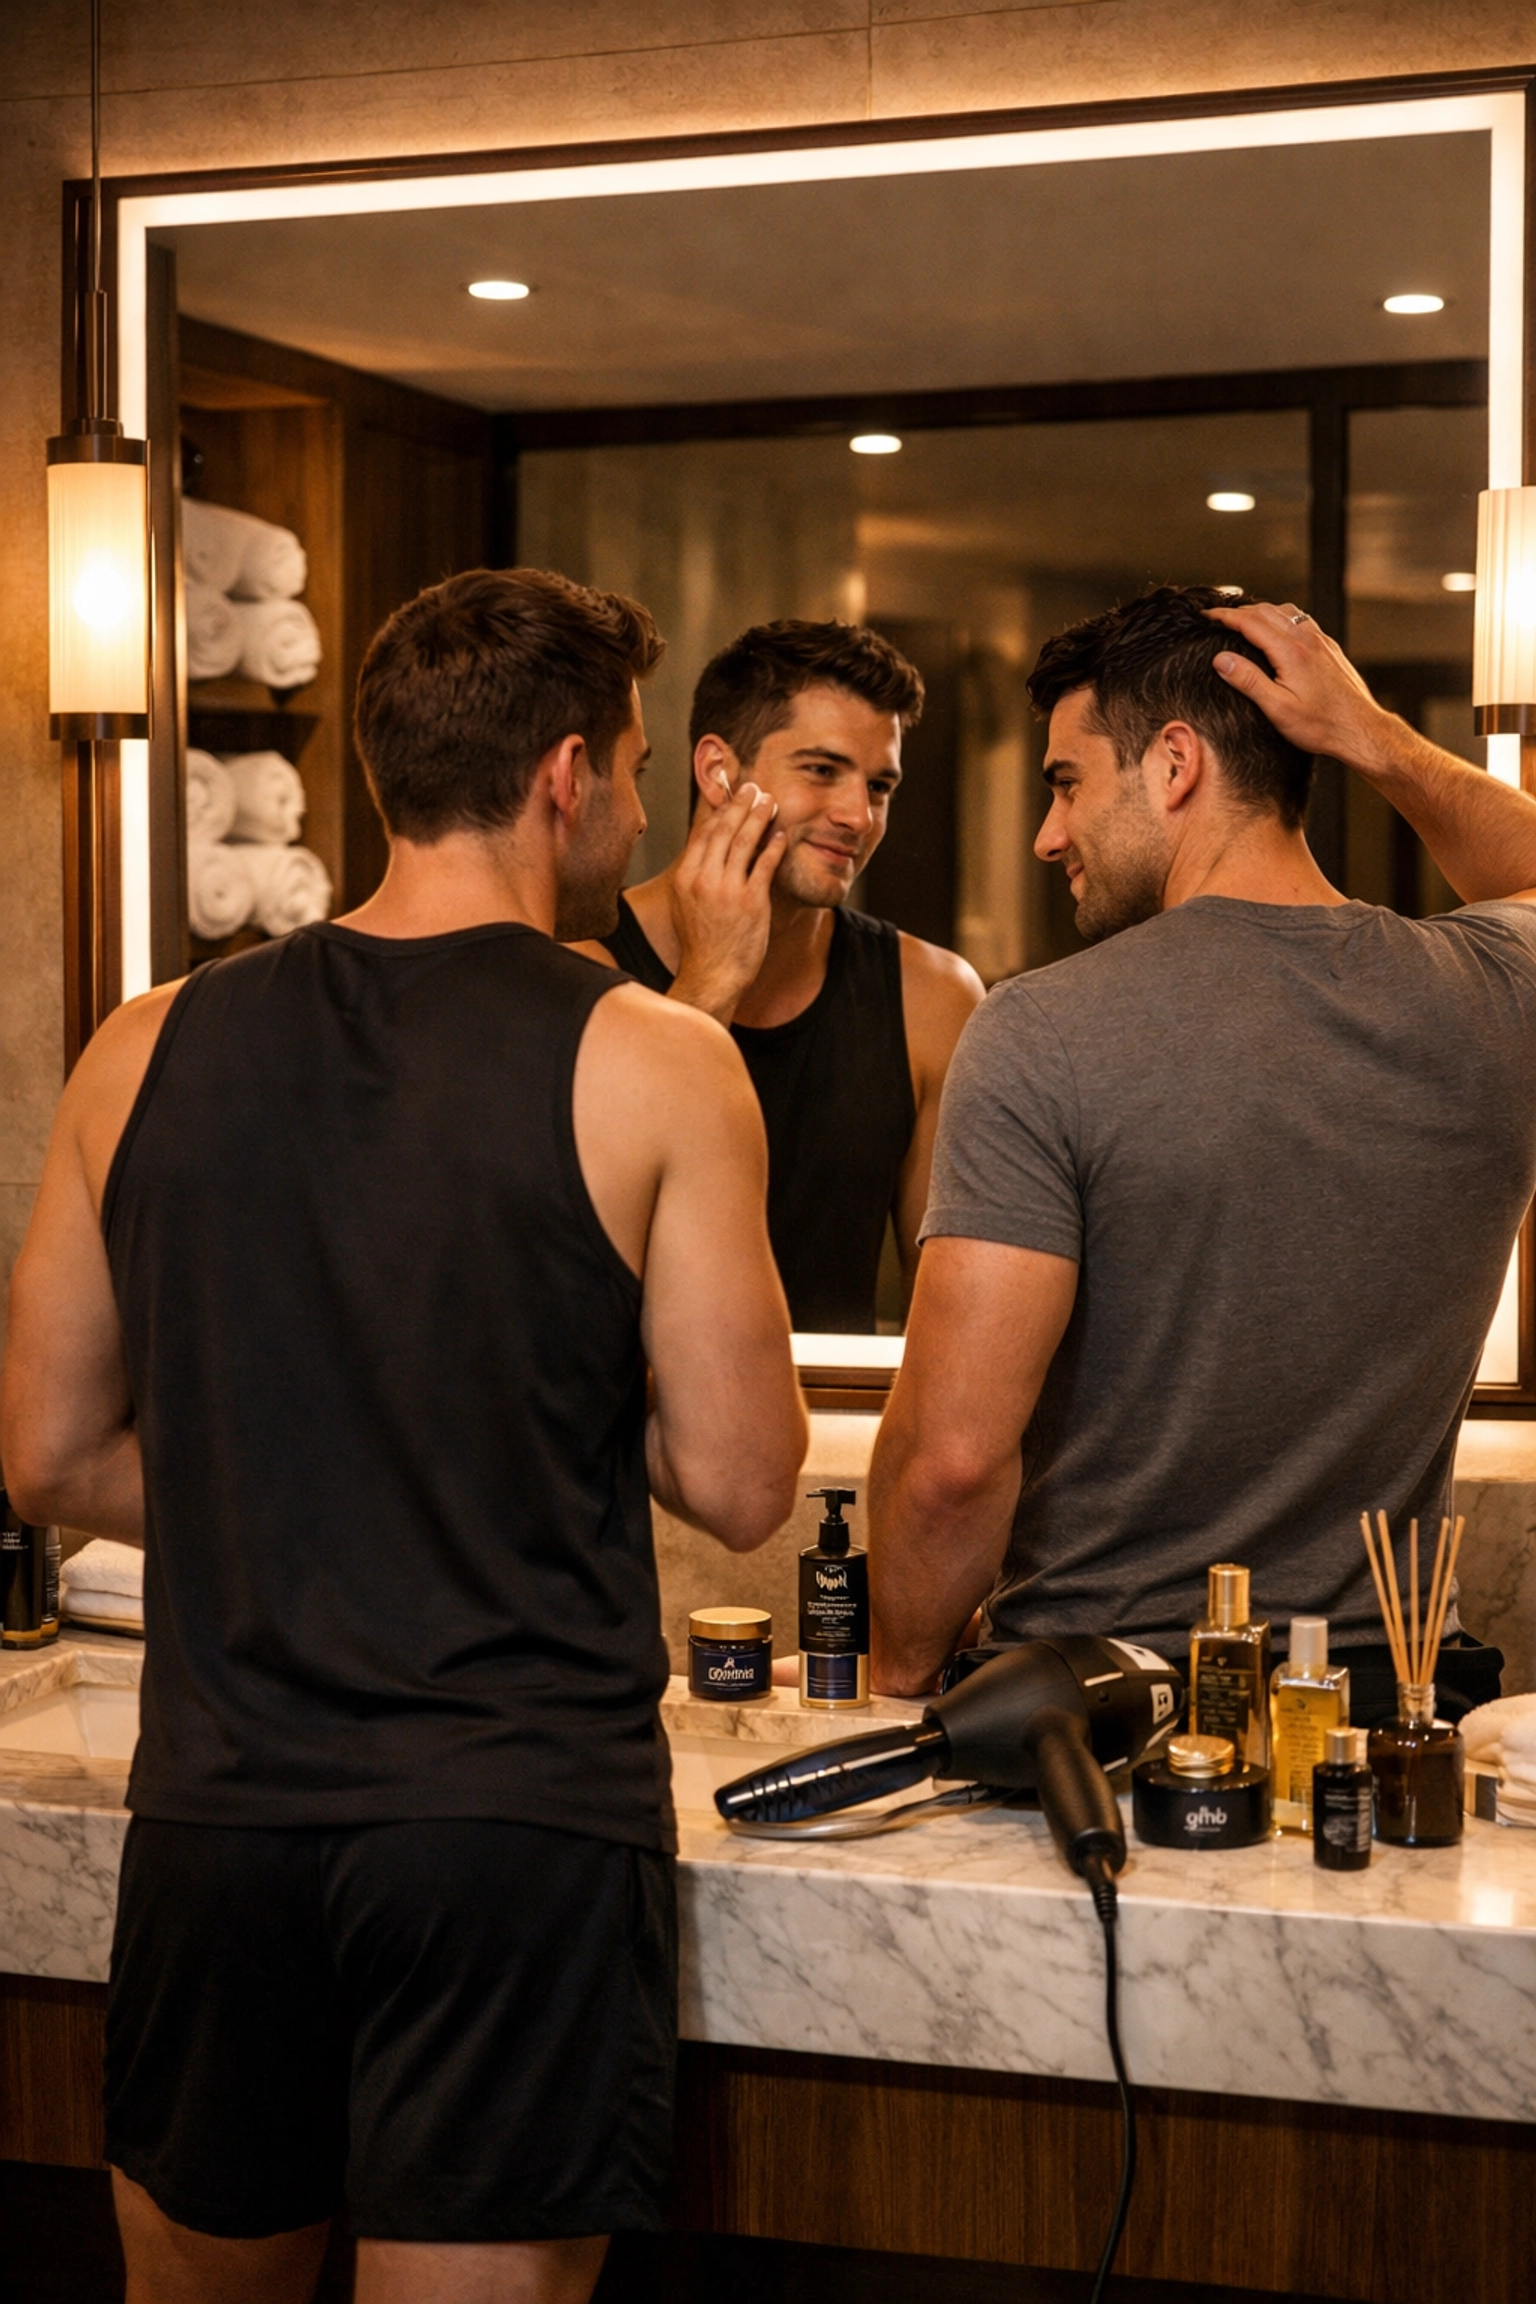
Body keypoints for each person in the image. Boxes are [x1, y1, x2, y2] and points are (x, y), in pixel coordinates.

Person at [0, 567, 806, 2304]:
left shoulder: (140, 1043)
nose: (651, 808)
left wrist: (299, 1474)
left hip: (220, 1830)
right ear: (569, 774)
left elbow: (50, 1455)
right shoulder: (661, 1053)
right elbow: (744, 1482)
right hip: (505, 1838)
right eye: (648, 769)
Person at [868, 584, 1536, 1723]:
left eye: (1067, 783)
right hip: (1383, 1712)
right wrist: (1374, 740)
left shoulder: (1041, 1032)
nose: (1047, 835)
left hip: (1103, 1715)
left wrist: (897, 1682)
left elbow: (954, 1464)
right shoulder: (1495, 998)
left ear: (1175, 764)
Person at [571, 619, 984, 1333]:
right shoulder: (580, 966)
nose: (858, 815)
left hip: (839, 1426)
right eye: (821, 770)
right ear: (717, 771)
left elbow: (948, 1314)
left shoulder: (933, 997)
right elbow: (578, 1270)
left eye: (880, 785)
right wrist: (710, 982)